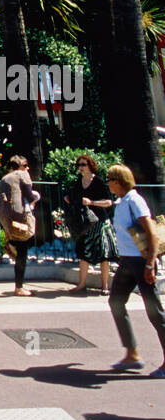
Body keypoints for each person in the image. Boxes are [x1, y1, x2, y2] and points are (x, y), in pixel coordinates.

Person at [106, 165, 165, 376]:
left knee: (155, 311)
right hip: (127, 261)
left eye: (110, 178)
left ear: (119, 181)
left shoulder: (135, 201)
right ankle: (132, 354)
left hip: (141, 262)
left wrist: (150, 263)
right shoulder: (122, 202)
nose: (108, 182)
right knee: (116, 301)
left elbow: (152, 233)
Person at [63, 153, 118, 295]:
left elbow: (109, 202)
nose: (80, 167)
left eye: (83, 164)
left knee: (103, 255)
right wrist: (70, 199)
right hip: (85, 223)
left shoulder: (98, 182)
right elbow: (76, 198)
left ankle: (105, 286)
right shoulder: (78, 182)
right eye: (79, 165)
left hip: (99, 222)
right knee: (83, 253)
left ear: (90, 166)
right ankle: (81, 284)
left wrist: (92, 202)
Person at [0, 156, 40, 297]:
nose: (28, 168)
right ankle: (19, 287)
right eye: (25, 165)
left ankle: (10, 243)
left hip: (9, 220)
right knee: (23, 253)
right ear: (19, 165)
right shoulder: (23, 175)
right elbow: (29, 195)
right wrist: (36, 198)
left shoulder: (5, 178)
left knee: (20, 250)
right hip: (21, 218)